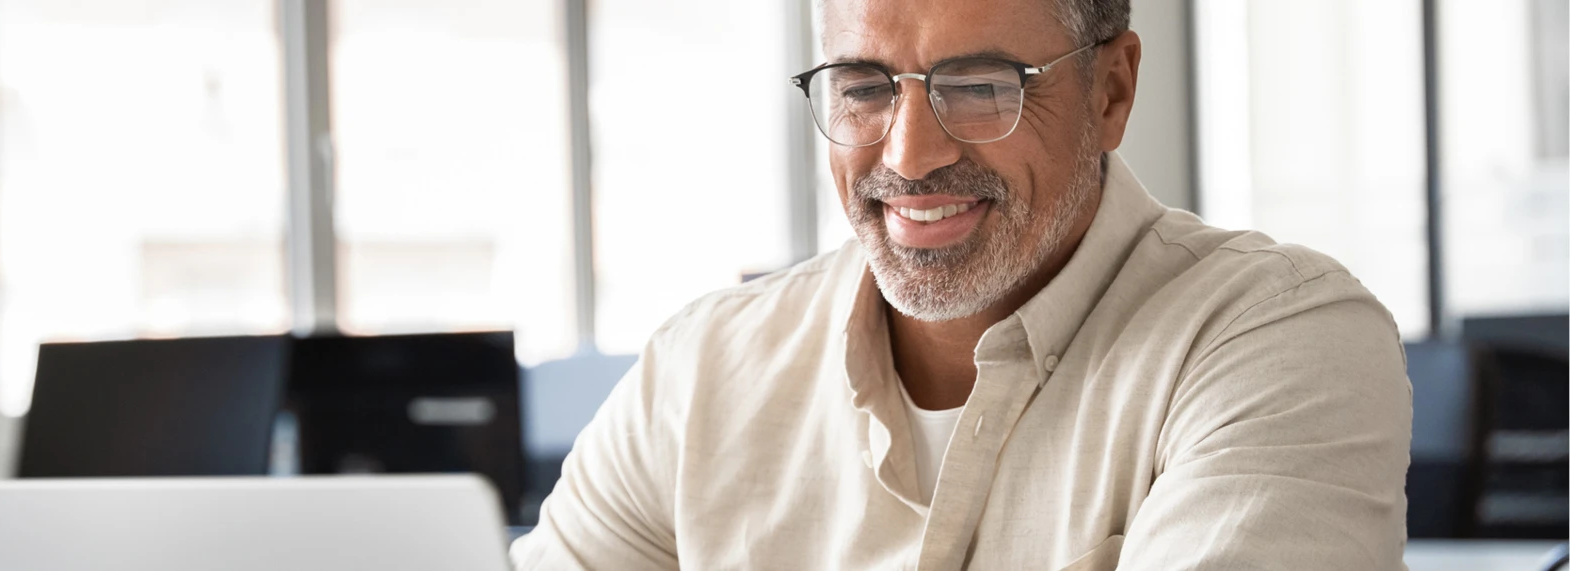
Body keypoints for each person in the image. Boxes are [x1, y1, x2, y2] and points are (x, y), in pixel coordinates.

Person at [509, 0, 1412, 568]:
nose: (909, 154)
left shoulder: (1280, 339)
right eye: (863, 86)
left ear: (1112, 91)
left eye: (981, 85)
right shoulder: (700, 369)